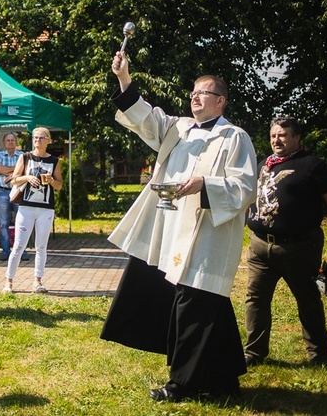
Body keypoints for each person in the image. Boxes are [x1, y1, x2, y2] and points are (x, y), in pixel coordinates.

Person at [100, 51, 257, 402]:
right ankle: (223, 381)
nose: (194, 97)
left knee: (195, 305)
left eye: (203, 92)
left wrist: (206, 184)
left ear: (220, 101)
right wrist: (125, 79)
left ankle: (181, 384)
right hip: (172, 232)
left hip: (207, 234)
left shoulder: (235, 138)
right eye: (193, 92)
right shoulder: (179, 128)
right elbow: (145, 117)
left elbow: (246, 188)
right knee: (204, 304)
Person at [244, 116, 327, 367]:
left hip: (299, 247)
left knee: (307, 298)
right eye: (273, 135)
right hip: (260, 245)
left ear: (296, 137)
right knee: (255, 298)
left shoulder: (312, 165)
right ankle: (254, 352)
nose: (276, 140)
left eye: (282, 135)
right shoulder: (264, 165)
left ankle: (318, 352)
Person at [2, 127, 62, 294]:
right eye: (35, 137)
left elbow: (59, 185)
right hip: (26, 207)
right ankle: (9, 281)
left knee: (41, 246)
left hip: (46, 209)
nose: (38, 140)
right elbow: (14, 180)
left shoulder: (54, 161)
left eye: (42, 138)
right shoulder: (25, 157)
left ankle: (38, 281)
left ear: (49, 140)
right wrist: (27, 177)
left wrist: (50, 181)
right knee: (19, 246)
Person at [0, 133, 29, 261]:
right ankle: (6, 251)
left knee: (22, 222)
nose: (10, 142)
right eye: (8, 140)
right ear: (4, 143)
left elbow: (26, 171)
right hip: (2, 192)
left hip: (18, 191)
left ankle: (21, 251)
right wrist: (16, 171)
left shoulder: (23, 155)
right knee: (3, 223)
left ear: (16, 142)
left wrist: (9, 171)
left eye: (13, 140)